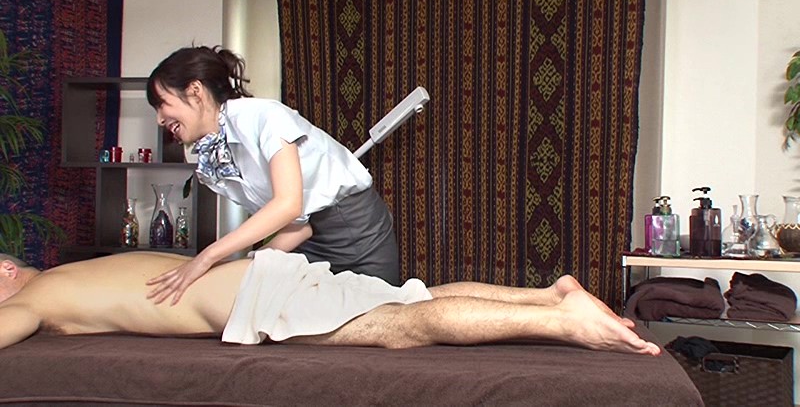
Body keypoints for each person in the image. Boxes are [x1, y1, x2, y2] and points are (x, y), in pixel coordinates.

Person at [0, 251, 660, 356]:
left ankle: (562, 322)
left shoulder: (42, 291)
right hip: (265, 274)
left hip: (256, 298)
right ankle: (551, 293)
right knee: (413, 295)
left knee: (402, 327)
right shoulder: (70, 272)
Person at [144, 45, 400, 305]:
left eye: (161, 104)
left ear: (195, 91)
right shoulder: (215, 160)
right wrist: (243, 268)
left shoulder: (264, 117)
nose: (159, 120)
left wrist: (206, 257)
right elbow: (299, 227)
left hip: (359, 235)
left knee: (376, 319)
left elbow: (288, 205)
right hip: (308, 241)